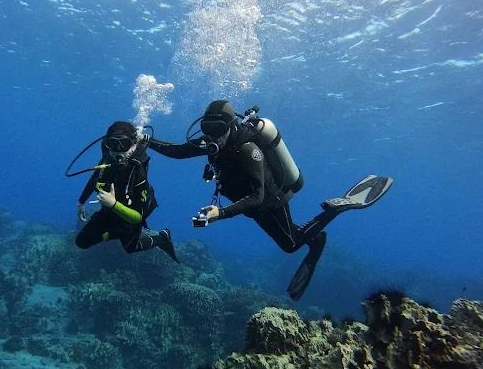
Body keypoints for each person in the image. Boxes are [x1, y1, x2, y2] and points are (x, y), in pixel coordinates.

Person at [148, 100, 392, 299]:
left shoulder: (248, 149)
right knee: (290, 236)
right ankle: (314, 238)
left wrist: (220, 213)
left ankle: (332, 214)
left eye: (218, 129)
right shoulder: (212, 142)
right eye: (208, 128)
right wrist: (146, 141)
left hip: (270, 202)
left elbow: (258, 196)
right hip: (249, 206)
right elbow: (177, 151)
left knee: (290, 245)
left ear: (231, 126)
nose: (212, 136)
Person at [75, 121, 179, 262]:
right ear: (107, 144)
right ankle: (116, 232)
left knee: (131, 248)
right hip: (109, 210)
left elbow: (137, 217)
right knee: (82, 242)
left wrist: (113, 204)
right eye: (113, 144)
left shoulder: (138, 171)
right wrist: (81, 202)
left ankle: (162, 238)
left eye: (124, 144)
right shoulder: (107, 160)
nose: (118, 150)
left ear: (133, 145)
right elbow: (95, 178)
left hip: (130, 213)